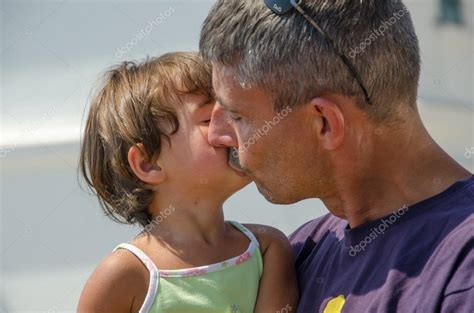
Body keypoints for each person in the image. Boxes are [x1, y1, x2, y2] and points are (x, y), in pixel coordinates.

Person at [200, 1, 474, 312]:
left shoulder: (463, 271)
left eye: (237, 116)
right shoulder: (295, 257)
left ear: (325, 123)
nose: (215, 135)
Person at [76, 52, 298, 313]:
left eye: (232, 113)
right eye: (207, 119)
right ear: (148, 164)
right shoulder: (124, 275)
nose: (231, 128)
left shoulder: (267, 248)